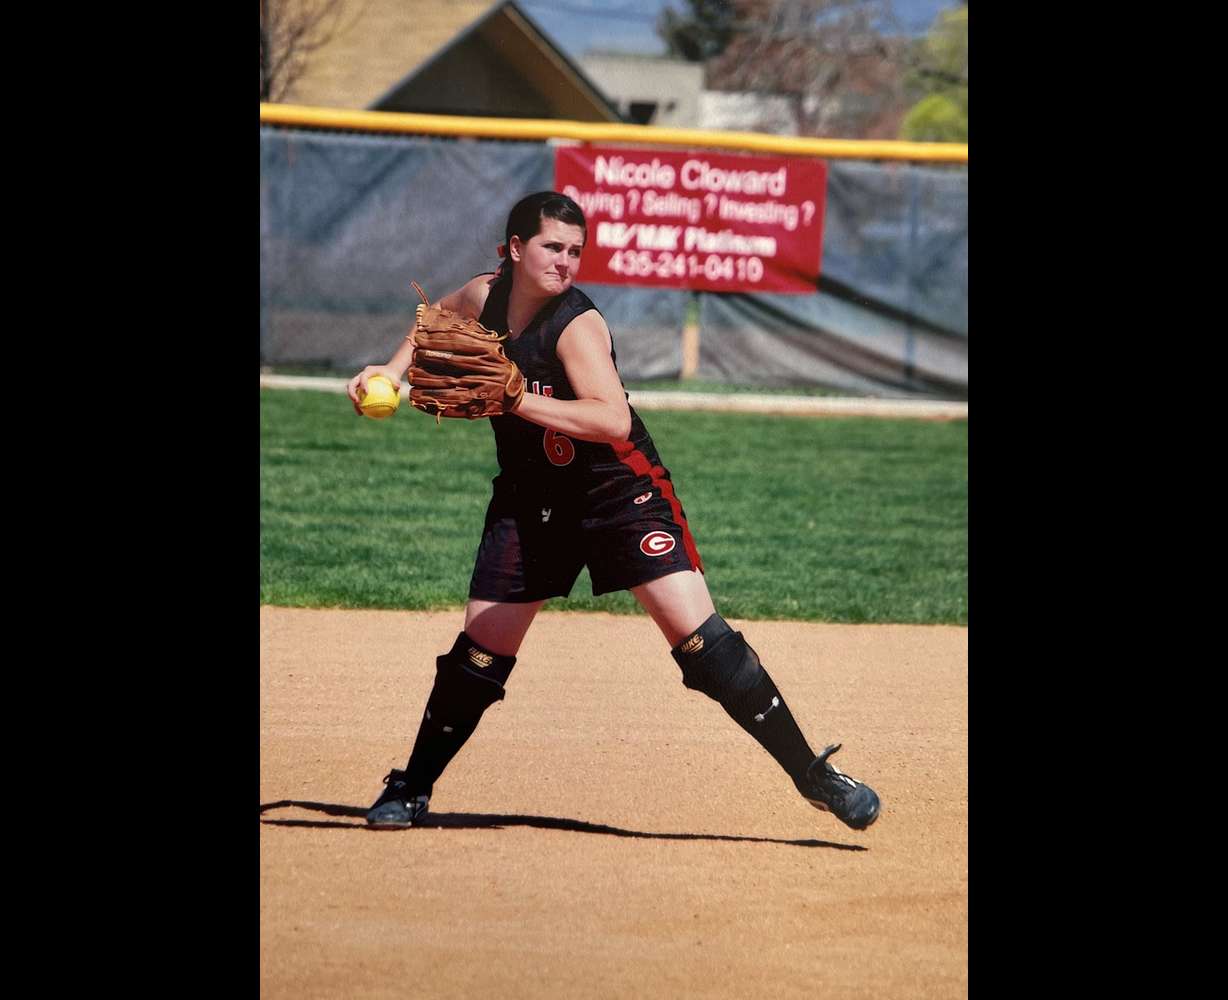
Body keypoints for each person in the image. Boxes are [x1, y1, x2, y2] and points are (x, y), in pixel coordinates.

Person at [346, 191, 880, 832]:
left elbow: (610, 418)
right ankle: (411, 785)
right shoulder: (483, 296)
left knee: (701, 639)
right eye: (552, 247)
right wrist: (393, 369)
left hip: (618, 493)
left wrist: (514, 400)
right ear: (515, 250)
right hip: (530, 496)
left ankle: (815, 776)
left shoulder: (576, 325)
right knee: (481, 652)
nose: (566, 261)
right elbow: (433, 320)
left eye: (575, 250)